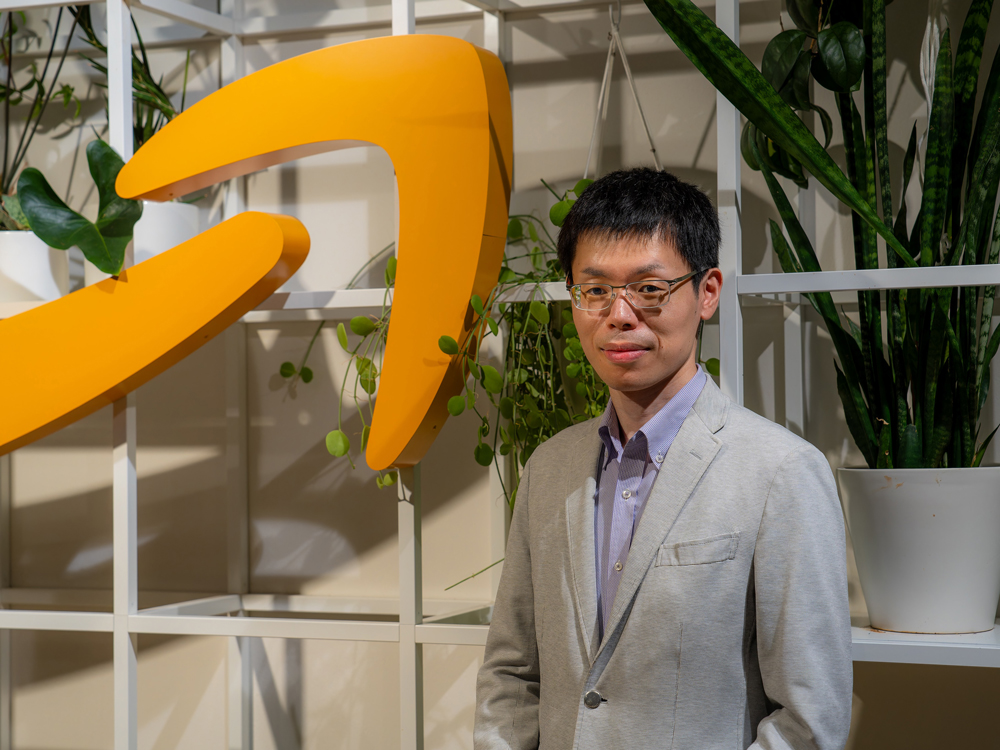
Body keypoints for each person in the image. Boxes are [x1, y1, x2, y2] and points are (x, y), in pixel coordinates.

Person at [474, 167, 852, 749]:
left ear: (706, 293)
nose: (619, 314)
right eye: (595, 290)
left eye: (649, 289)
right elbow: (511, 674)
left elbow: (810, 719)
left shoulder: (780, 472)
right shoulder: (548, 469)